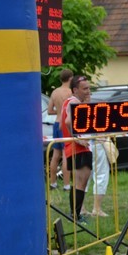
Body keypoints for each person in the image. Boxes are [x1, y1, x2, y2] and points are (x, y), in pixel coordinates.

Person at [62, 75, 93, 225]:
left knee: (78, 183)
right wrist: (77, 138)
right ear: (75, 90)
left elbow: (63, 122)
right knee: (81, 182)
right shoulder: (74, 102)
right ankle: (75, 215)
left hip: (72, 147)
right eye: (85, 89)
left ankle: (75, 214)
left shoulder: (69, 101)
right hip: (78, 148)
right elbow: (68, 121)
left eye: (89, 88)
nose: (88, 91)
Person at [47, 68, 73, 191]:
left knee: (55, 155)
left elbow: (49, 110)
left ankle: (53, 183)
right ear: (70, 78)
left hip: (56, 124)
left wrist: (59, 111)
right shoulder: (70, 92)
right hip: (64, 125)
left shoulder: (55, 92)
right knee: (66, 154)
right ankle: (67, 185)